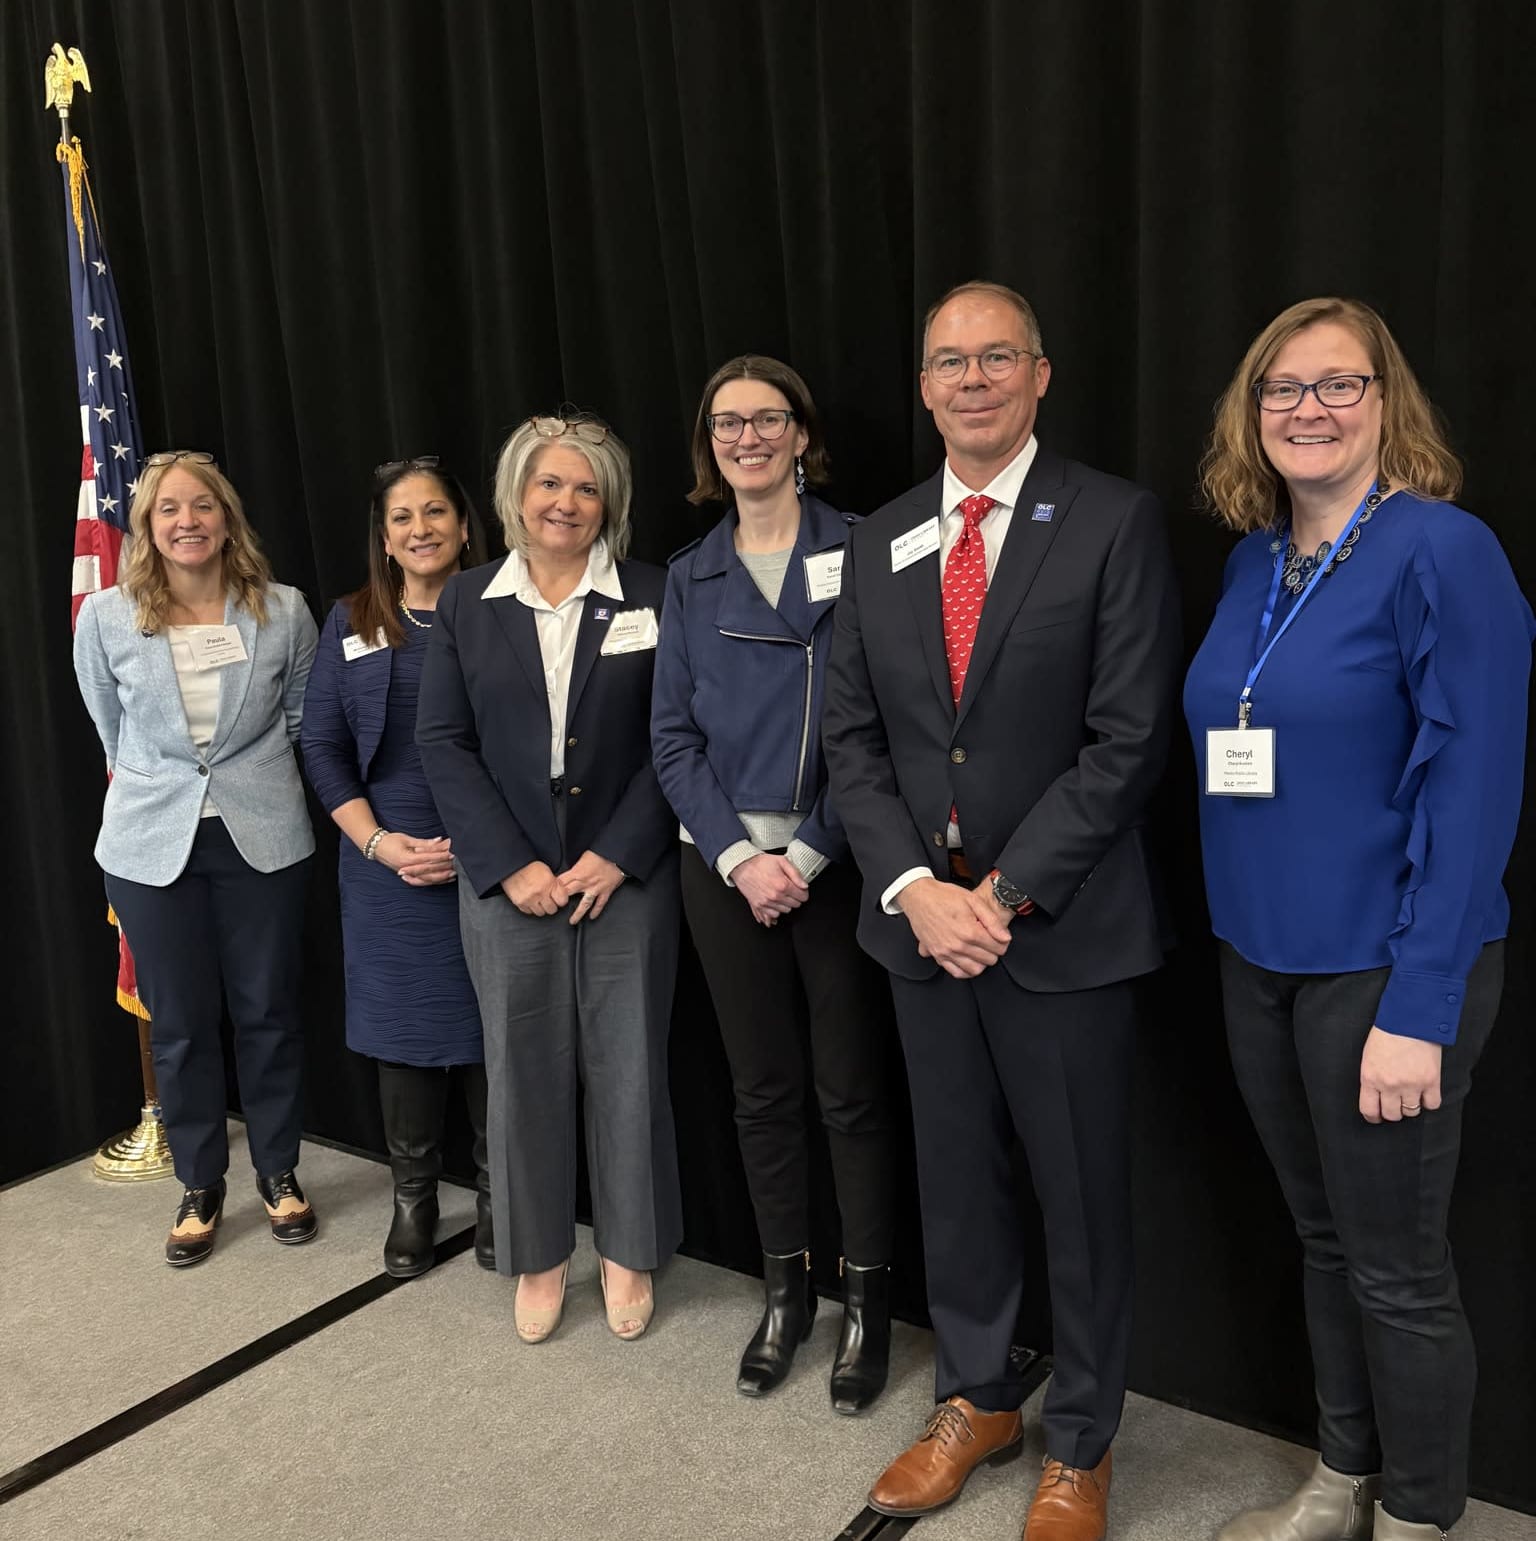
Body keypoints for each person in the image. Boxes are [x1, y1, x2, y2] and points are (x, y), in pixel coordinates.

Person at [823, 281, 1181, 1539]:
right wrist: (921, 892)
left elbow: (1129, 738)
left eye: (996, 357)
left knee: (1080, 1193)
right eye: (947, 361)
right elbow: (852, 741)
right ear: (922, 388)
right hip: (923, 935)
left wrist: (1007, 893)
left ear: (1040, 374)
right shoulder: (879, 539)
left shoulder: (1113, 521)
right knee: (956, 1178)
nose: (972, 378)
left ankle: (1080, 1437)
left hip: (1060, 930)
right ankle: (976, 1396)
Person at [1185, 297, 1534, 1541]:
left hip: (1384, 971)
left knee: (1399, 1267)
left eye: (1339, 386)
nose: (1309, 410)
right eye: (1283, 389)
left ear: (1388, 403)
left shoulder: (1444, 551)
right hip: (1259, 956)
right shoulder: (1253, 559)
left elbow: (1478, 786)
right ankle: (1341, 1483)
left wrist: (1419, 1007)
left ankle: (1425, 1518)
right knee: (1325, 1241)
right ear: (1253, 413)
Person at [651, 356, 899, 1411]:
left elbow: (887, 722)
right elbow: (670, 738)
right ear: (709, 446)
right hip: (722, 869)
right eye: (726, 424)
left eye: (766, 419)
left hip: (836, 863)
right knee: (761, 1092)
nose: (746, 437)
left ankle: (866, 1304)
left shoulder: (868, 548)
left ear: (802, 433)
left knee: (850, 1090)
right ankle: (785, 1290)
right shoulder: (688, 573)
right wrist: (739, 856)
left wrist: (803, 854)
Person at [416, 411, 682, 1343]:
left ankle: (628, 1248)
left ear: (608, 500)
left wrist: (619, 851)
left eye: (584, 485)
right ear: (516, 497)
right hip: (509, 886)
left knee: (630, 1067)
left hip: (627, 878)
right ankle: (538, 1253)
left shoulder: (657, 593)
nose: (565, 501)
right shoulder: (466, 602)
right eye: (548, 484)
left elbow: (677, 739)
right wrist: (511, 866)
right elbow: (443, 745)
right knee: (520, 1072)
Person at [72, 450, 320, 1266]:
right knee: (179, 1024)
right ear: (145, 524)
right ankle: (201, 1181)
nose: (188, 521)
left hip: (263, 835)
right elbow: (113, 731)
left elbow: (299, 718)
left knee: (269, 1011)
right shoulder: (106, 616)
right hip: (150, 845)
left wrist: (236, 781)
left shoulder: (282, 610)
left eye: (203, 505)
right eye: (169, 508)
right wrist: (171, 781)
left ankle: (279, 1170)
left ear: (227, 516)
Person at [300, 456, 493, 1279]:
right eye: (403, 517)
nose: (421, 529)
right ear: (384, 537)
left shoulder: (505, 609)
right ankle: (413, 1198)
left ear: (462, 521)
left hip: (494, 858)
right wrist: (380, 842)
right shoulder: (350, 621)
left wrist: (486, 843)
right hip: (384, 862)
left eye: (436, 511)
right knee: (403, 1034)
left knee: (495, 1032)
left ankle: (501, 1198)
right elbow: (321, 745)